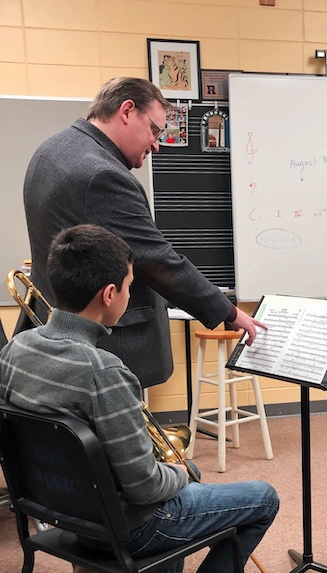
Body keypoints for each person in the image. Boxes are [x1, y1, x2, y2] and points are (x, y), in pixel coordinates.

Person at [0, 225, 279, 573]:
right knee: (261, 497)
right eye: (130, 287)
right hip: (123, 531)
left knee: (178, 474)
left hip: (61, 518)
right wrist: (182, 474)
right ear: (109, 294)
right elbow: (146, 489)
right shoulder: (105, 372)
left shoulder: (15, 349)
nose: (130, 296)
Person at [21, 76, 264, 389]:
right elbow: (157, 259)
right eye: (154, 130)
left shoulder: (51, 149)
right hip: (101, 343)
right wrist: (228, 311)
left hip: (56, 329)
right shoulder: (102, 174)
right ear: (126, 111)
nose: (156, 144)